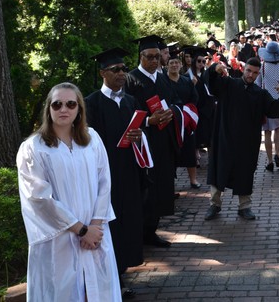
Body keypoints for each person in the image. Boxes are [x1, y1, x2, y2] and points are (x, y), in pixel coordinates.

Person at [17, 82, 122, 301]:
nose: (63, 109)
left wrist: (95, 224)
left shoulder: (92, 139)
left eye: (70, 104)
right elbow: (39, 198)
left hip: (96, 231)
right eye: (57, 104)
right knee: (61, 291)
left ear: (79, 109)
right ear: (49, 109)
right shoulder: (34, 148)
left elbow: (105, 182)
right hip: (59, 237)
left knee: (97, 290)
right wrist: (81, 230)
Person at [84, 48, 145, 299]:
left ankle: (121, 271)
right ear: (102, 73)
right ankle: (113, 280)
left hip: (128, 172)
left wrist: (140, 136)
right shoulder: (91, 103)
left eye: (123, 68)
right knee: (111, 226)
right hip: (104, 175)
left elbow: (140, 134)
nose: (122, 73)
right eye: (115, 69)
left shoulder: (130, 101)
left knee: (128, 221)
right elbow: (86, 143)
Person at [204, 57, 279, 221]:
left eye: (255, 73)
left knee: (245, 172)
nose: (251, 75)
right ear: (244, 69)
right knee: (219, 169)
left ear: (259, 75)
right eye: (249, 71)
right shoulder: (228, 85)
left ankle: (244, 206)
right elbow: (211, 83)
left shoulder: (260, 94)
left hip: (247, 141)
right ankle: (214, 204)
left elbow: (275, 111)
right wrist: (215, 68)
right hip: (225, 137)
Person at [124, 35, 179, 248]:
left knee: (161, 187)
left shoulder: (163, 77)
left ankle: (152, 231)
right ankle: (140, 232)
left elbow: (175, 100)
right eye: (150, 57)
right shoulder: (131, 79)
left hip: (164, 140)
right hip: (143, 141)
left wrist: (172, 112)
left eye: (157, 56)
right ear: (141, 56)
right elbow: (127, 111)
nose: (155, 61)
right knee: (145, 189)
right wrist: (149, 119)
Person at [255, 41, 279, 171]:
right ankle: (277, 154)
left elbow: (257, 84)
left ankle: (270, 160)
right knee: (278, 128)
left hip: (265, 101)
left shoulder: (262, 67)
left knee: (267, 132)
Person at [168, 50, 201, 189]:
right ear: (167, 66)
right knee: (172, 153)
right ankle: (172, 182)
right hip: (171, 121)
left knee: (189, 151)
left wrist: (187, 112)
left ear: (181, 65)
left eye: (176, 62)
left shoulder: (186, 81)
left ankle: (193, 180)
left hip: (186, 122)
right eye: (171, 63)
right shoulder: (163, 81)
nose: (174, 65)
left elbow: (195, 98)